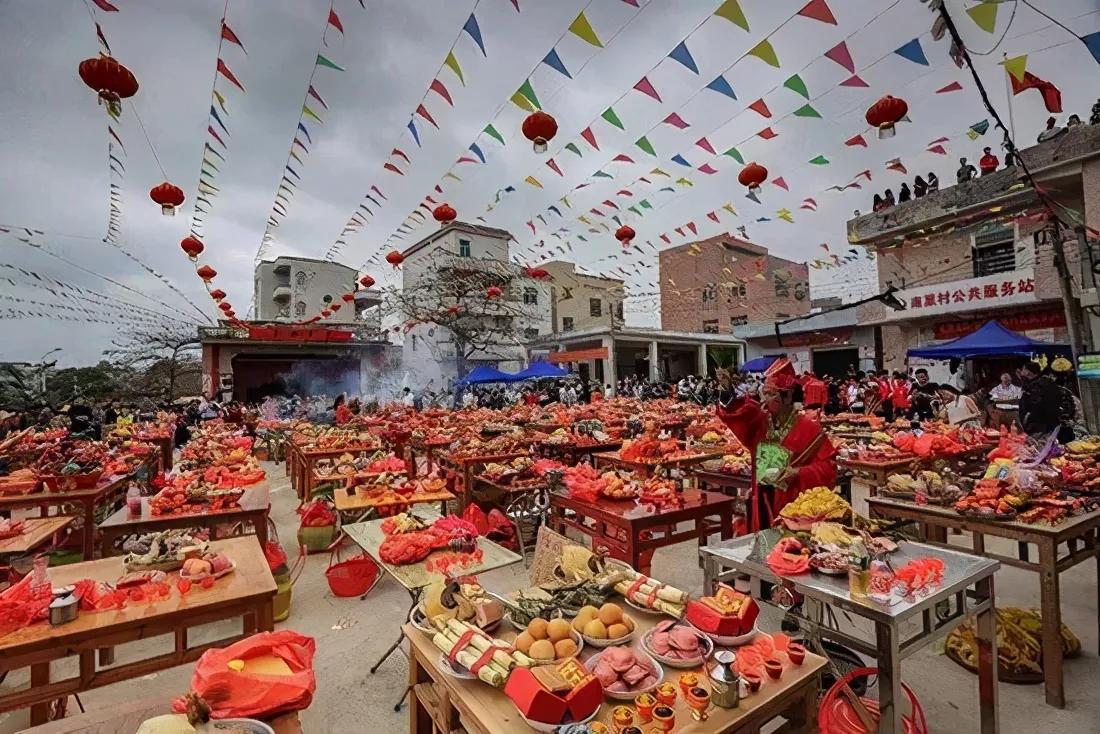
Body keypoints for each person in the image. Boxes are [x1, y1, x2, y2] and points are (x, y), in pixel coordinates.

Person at [715, 358, 836, 533]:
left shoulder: (809, 428)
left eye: (772, 394)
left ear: (787, 396)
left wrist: (799, 473)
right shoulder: (760, 422)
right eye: (765, 393)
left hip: (792, 505)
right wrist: (727, 391)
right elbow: (738, 413)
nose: (765, 399)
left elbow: (829, 467)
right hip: (761, 500)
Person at [1018, 361, 1062, 437]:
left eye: (1023, 369)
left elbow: (1035, 404)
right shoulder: (1047, 381)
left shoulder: (1036, 385)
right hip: (1051, 423)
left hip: (1040, 426)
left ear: (1028, 372)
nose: (1021, 371)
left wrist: (1027, 417)